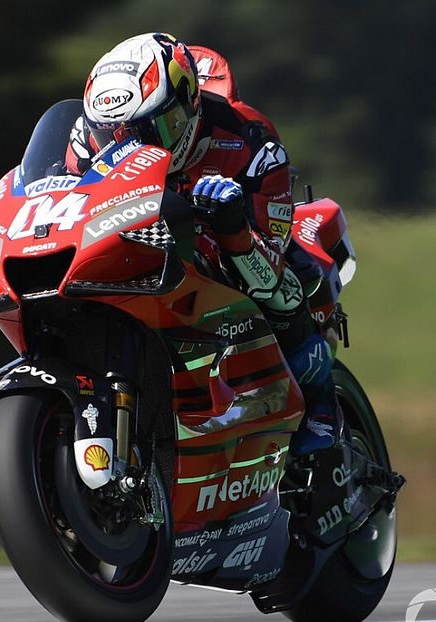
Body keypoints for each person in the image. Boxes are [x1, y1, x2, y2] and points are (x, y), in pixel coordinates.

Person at [67, 33, 343, 455]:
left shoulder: (249, 142)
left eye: (150, 128)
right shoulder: (85, 141)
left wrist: (230, 225)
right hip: (132, 246)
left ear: (187, 105)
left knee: (288, 289)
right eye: (114, 134)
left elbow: (274, 249)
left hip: (235, 250)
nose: (131, 145)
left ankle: (322, 415)